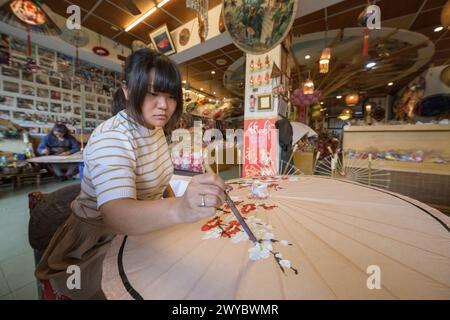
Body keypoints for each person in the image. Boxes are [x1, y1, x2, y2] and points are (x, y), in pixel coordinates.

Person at [35, 48, 228, 300]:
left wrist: (172, 202)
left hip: (139, 230)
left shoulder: (153, 127)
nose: (164, 105)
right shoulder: (112, 137)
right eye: (152, 93)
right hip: (95, 241)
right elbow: (116, 215)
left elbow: (161, 182)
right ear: (127, 91)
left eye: (171, 96)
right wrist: (180, 208)